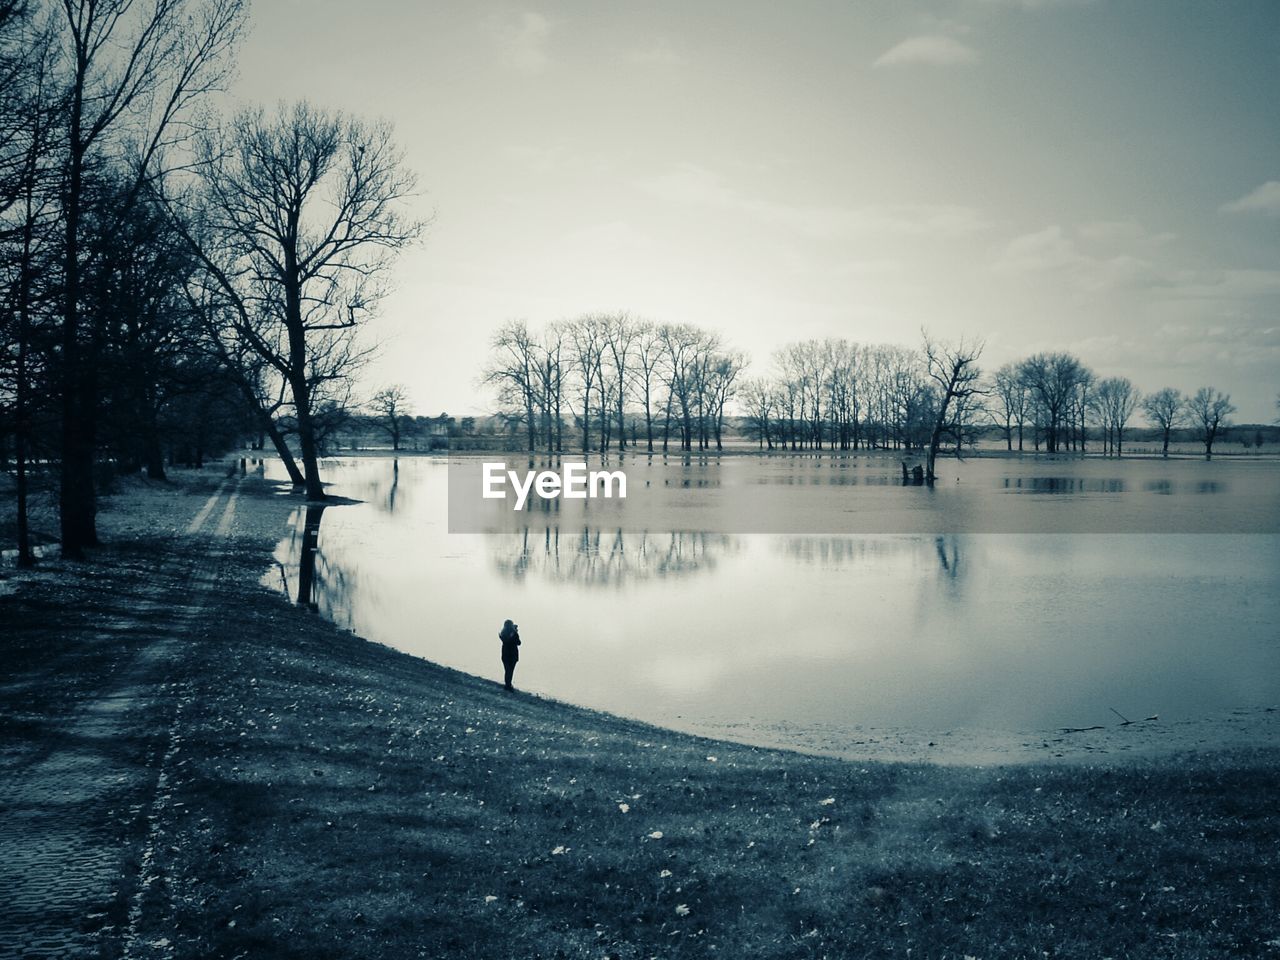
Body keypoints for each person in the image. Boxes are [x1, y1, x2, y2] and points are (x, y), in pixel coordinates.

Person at [498, 619, 521, 691]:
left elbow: (507, 641)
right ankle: (508, 685)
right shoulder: (514, 633)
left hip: (505, 654)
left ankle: (507, 684)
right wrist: (516, 632)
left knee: (507, 670)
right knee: (510, 671)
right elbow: (519, 643)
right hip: (513, 655)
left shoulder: (502, 633)